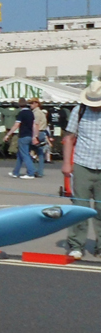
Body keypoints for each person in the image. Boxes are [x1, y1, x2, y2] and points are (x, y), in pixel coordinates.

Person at [62, 81, 101, 259]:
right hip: (82, 164)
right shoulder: (80, 111)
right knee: (80, 208)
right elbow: (69, 138)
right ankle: (76, 244)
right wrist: (66, 164)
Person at [4, 97, 36, 179]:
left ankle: (31, 173)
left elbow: (16, 125)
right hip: (30, 135)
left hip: (23, 136)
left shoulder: (21, 113)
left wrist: (8, 134)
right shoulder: (31, 113)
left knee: (25, 155)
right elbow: (34, 125)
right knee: (20, 155)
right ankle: (16, 172)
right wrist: (34, 136)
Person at [30, 98, 48, 177]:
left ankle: (33, 170)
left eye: (32, 103)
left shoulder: (36, 113)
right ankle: (40, 171)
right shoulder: (41, 112)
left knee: (29, 151)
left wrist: (35, 136)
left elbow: (36, 124)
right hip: (42, 132)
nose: (30, 105)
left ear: (36, 104)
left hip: (38, 132)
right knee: (40, 153)